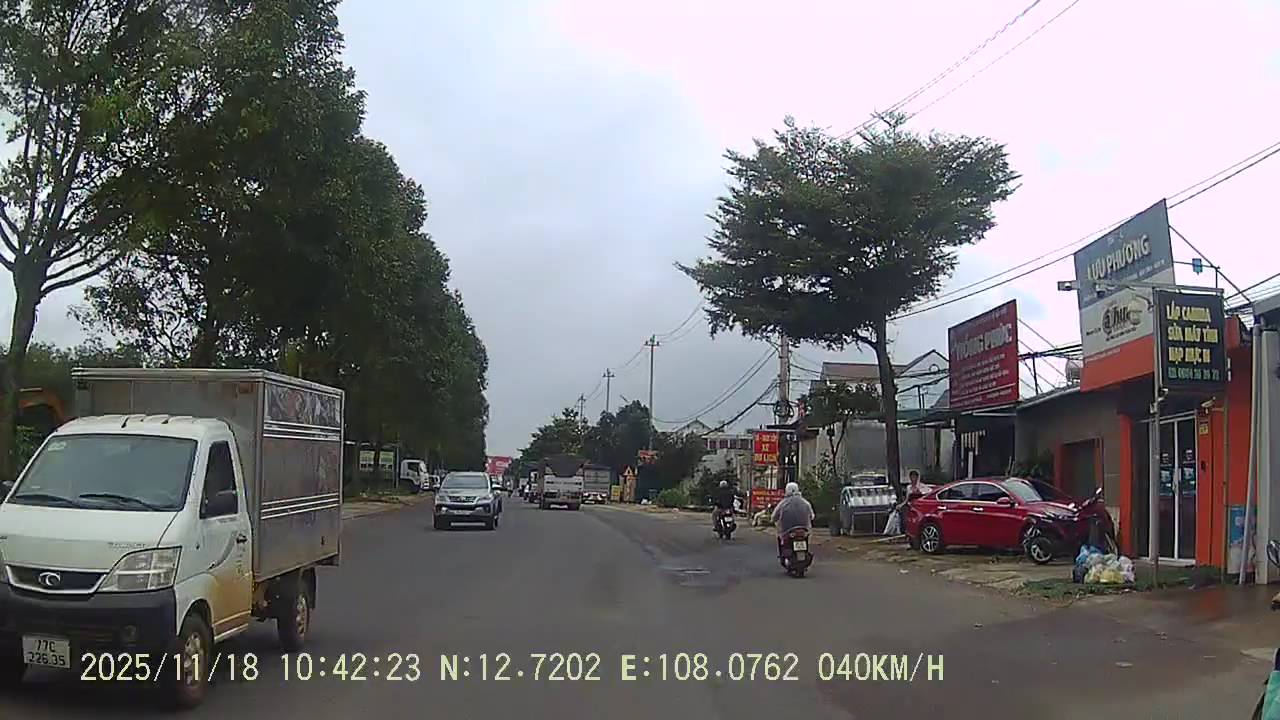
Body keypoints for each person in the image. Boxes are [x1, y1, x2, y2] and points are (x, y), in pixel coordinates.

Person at [771, 482, 814, 551]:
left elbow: (774, 516)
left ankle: (783, 553)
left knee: (780, 537)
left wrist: (773, 520)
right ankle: (806, 550)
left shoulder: (783, 503)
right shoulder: (806, 503)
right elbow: (812, 516)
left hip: (787, 532)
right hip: (804, 530)